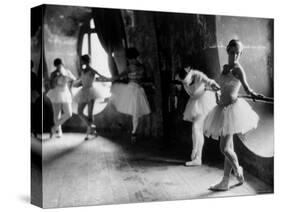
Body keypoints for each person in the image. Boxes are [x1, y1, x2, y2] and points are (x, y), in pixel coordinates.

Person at [204, 39, 263, 191]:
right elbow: (219, 85)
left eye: (238, 53)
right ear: (228, 51)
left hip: (232, 110)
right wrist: (217, 94)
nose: (235, 55)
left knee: (224, 148)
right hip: (222, 109)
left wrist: (254, 94)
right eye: (232, 52)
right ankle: (224, 181)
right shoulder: (225, 68)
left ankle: (238, 171)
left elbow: (247, 88)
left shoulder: (238, 69)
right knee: (228, 147)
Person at [175, 66, 220, 166]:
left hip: (204, 102)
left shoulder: (198, 75)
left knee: (196, 127)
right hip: (194, 102)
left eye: (187, 81)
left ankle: (195, 151)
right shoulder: (180, 77)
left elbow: (210, 81)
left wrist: (216, 87)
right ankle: (198, 158)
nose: (186, 84)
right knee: (198, 130)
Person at [111, 47, 151, 142]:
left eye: (128, 58)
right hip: (138, 90)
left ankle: (129, 130)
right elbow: (143, 78)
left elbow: (118, 76)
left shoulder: (130, 67)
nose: (128, 60)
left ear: (131, 57)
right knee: (135, 113)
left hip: (131, 89)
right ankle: (133, 132)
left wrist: (107, 79)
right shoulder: (142, 66)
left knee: (119, 102)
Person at [73, 55, 110, 140]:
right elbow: (81, 81)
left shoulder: (91, 70)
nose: (81, 62)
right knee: (80, 111)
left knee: (90, 114)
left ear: (85, 61)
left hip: (91, 91)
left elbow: (100, 76)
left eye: (82, 61)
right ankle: (91, 127)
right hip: (83, 91)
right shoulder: (83, 70)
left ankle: (89, 132)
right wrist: (76, 83)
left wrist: (110, 79)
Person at [47, 58, 76, 138]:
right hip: (56, 92)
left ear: (63, 64)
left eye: (60, 64)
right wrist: (55, 78)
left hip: (65, 92)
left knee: (69, 113)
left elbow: (73, 79)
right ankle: (59, 131)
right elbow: (51, 86)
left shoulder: (67, 71)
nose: (59, 66)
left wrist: (70, 88)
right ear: (55, 66)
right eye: (57, 65)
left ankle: (54, 128)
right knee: (57, 115)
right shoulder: (53, 73)